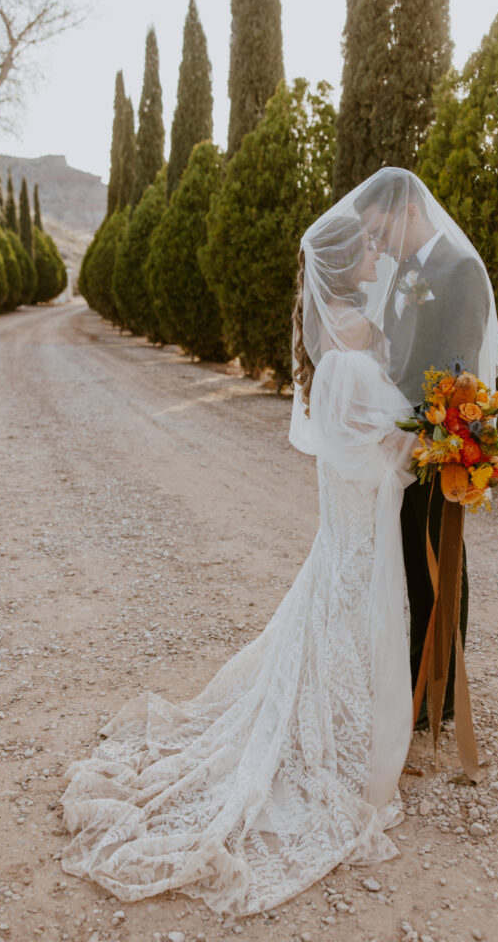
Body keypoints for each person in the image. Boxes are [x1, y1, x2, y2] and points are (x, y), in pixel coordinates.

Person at [59, 198, 419, 917]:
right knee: (343, 617)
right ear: (351, 263)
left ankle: (347, 734)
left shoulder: (346, 335)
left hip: (351, 526)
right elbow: (354, 451)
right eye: (373, 250)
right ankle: (336, 756)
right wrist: (417, 447)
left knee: (335, 619)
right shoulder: (349, 350)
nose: (382, 256)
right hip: (356, 519)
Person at [352, 168, 498, 729]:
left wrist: (416, 431)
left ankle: (437, 695)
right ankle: (415, 679)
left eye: (380, 230)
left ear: (408, 212)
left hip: (439, 444)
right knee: (413, 570)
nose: (378, 244)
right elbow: (400, 357)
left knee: (441, 566)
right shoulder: (403, 274)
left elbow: (459, 367)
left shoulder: (460, 269)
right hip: (402, 446)